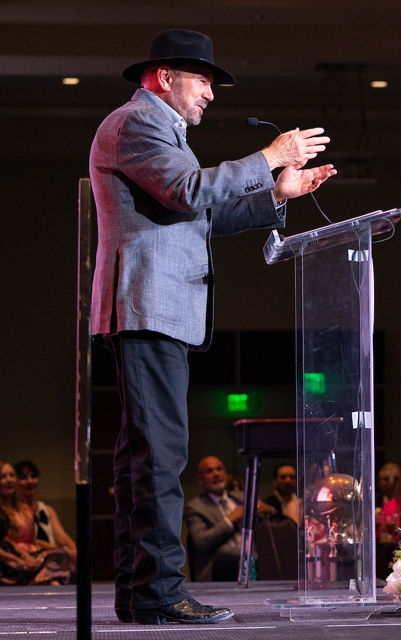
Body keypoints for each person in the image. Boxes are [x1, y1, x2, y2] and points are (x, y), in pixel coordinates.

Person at [90, 29, 335, 625]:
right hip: (146, 307)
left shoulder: (160, 129)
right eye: (203, 80)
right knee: (161, 456)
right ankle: (159, 592)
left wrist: (276, 192)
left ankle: (139, 591)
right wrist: (270, 156)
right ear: (165, 77)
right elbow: (189, 190)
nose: (210, 95)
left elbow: (198, 211)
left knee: (146, 456)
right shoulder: (136, 125)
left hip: (156, 309)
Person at [184, 456, 271, 582]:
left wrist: (269, 510)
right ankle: (252, 559)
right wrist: (231, 519)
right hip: (220, 569)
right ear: (199, 479)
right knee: (227, 553)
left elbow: (269, 517)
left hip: (255, 557)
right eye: (209, 471)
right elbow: (201, 542)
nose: (216, 474)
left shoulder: (242, 497)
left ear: (225, 473)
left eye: (219, 469)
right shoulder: (195, 507)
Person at [0, 462, 71, 585]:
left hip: (32, 555)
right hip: (11, 559)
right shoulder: (2, 513)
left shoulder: (24, 509)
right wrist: (22, 558)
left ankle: (40, 581)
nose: (9, 480)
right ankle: (38, 583)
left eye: (12, 475)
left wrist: (59, 549)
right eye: (3, 476)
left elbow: (33, 541)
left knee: (61, 554)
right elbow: (5, 542)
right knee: (57, 561)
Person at [14, 461, 77, 556]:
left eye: (33, 476)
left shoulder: (46, 509)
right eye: (24, 477)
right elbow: (27, 542)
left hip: (51, 558)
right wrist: (55, 549)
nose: (30, 481)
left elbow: (62, 538)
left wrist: (75, 550)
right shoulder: (13, 510)